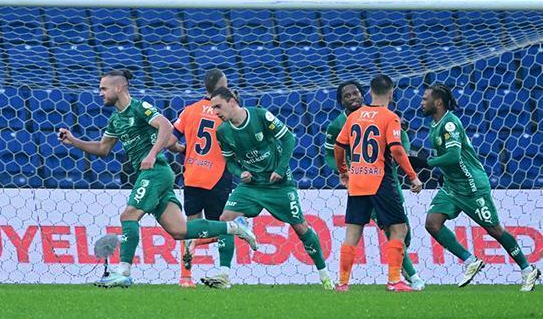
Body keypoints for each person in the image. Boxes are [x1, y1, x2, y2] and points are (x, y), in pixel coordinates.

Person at [57, 70, 256, 288]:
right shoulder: (116, 119)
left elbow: (166, 125)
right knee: (180, 230)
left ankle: (123, 271)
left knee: (129, 215)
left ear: (119, 88)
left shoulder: (140, 108)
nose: (100, 93)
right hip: (152, 174)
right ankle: (234, 228)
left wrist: (152, 154)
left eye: (104, 88)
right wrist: (74, 141)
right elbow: (103, 149)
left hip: (156, 171)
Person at [412, 84, 539, 291]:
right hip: (453, 186)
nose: (421, 102)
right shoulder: (435, 125)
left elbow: (453, 156)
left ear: (438, 102)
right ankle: (471, 260)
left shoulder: (450, 124)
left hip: (472, 186)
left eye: (425, 99)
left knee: (495, 230)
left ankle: (527, 270)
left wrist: (427, 163)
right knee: (432, 223)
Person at [205, 87, 334, 290]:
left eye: (218, 107)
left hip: (279, 184)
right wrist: (240, 173)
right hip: (252, 186)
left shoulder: (259, 115)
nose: (216, 112)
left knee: (301, 228)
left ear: (232, 101)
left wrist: (281, 169)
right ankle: (224, 275)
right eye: (213, 108)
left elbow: (289, 138)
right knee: (224, 219)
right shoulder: (222, 131)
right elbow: (229, 162)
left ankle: (325, 276)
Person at [324, 80, 425, 290]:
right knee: (399, 229)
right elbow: (397, 150)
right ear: (392, 93)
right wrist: (412, 176)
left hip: (357, 181)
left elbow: (339, 147)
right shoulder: (389, 117)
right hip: (380, 181)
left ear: (368, 92)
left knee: (352, 232)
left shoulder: (354, 117)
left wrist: (344, 171)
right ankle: (394, 280)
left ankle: (342, 283)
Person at [170, 68, 233, 287]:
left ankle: (185, 278)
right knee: (226, 227)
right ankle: (223, 275)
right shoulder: (224, 111)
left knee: (191, 226)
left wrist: (182, 149)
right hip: (217, 176)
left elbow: (170, 140)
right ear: (220, 86)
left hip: (192, 175)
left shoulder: (189, 111)